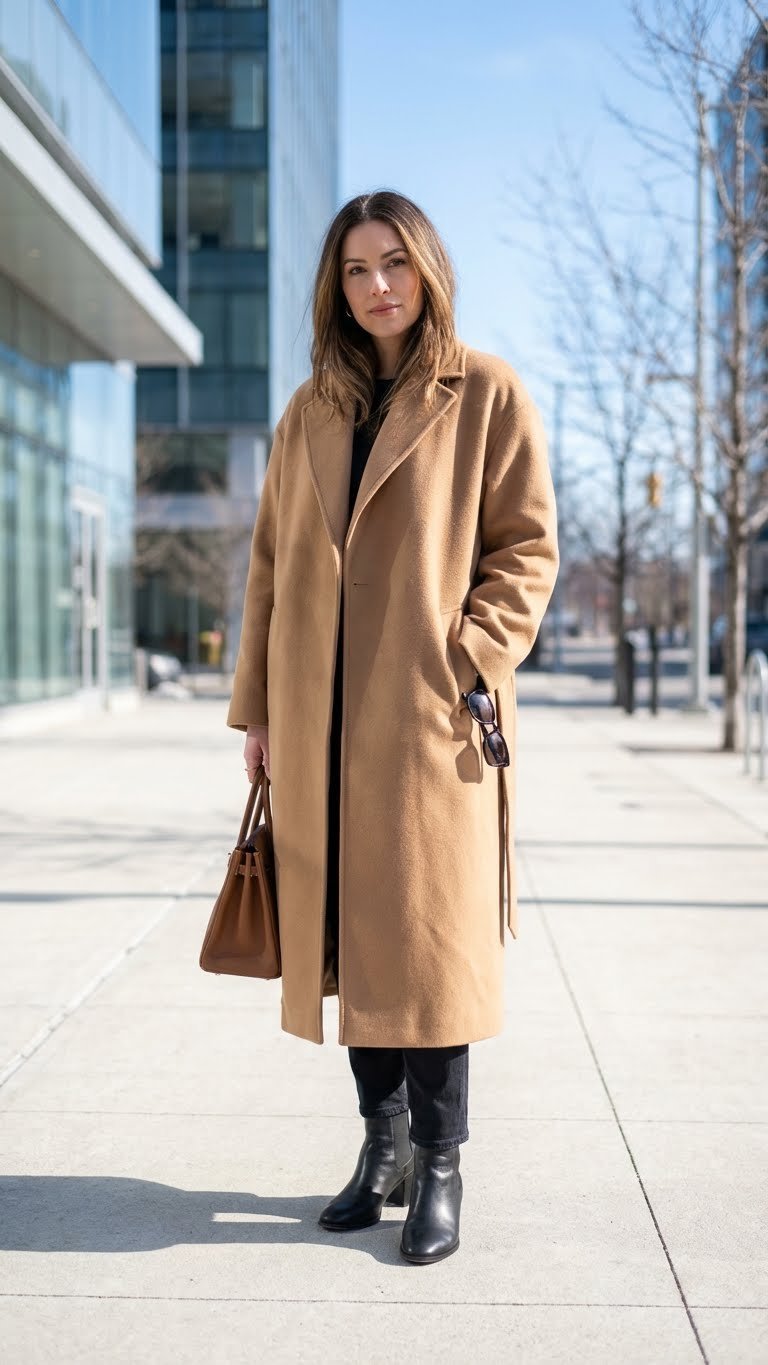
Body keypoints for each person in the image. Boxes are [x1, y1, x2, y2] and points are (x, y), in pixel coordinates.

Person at [226, 189, 559, 1264]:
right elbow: (269, 570)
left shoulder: (486, 394)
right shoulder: (310, 409)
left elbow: (527, 549)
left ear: (428, 271)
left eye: (394, 265)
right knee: (343, 946)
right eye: (357, 269)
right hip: (319, 720)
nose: (377, 286)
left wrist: (469, 654)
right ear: (336, 286)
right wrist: (261, 713)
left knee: (427, 949)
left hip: (427, 724)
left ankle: (443, 1163)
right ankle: (383, 1147)